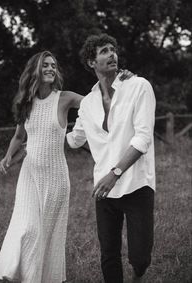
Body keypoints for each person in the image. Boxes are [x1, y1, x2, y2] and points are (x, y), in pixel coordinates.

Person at [67, 34, 156, 283]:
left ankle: (139, 273)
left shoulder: (138, 86)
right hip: (104, 191)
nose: (112, 54)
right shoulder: (88, 104)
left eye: (113, 49)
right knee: (108, 254)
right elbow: (75, 140)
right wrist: (43, 131)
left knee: (140, 258)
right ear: (91, 62)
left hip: (136, 184)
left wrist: (114, 173)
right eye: (104, 51)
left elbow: (143, 139)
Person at [0, 50, 83, 283]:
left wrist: (118, 85)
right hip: (29, 176)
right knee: (26, 228)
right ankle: (11, 272)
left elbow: (96, 105)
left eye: (53, 65)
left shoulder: (65, 98)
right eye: (45, 65)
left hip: (56, 179)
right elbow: (19, 137)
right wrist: (7, 157)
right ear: (36, 71)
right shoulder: (27, 104)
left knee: (45, 236)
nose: (51, 68)